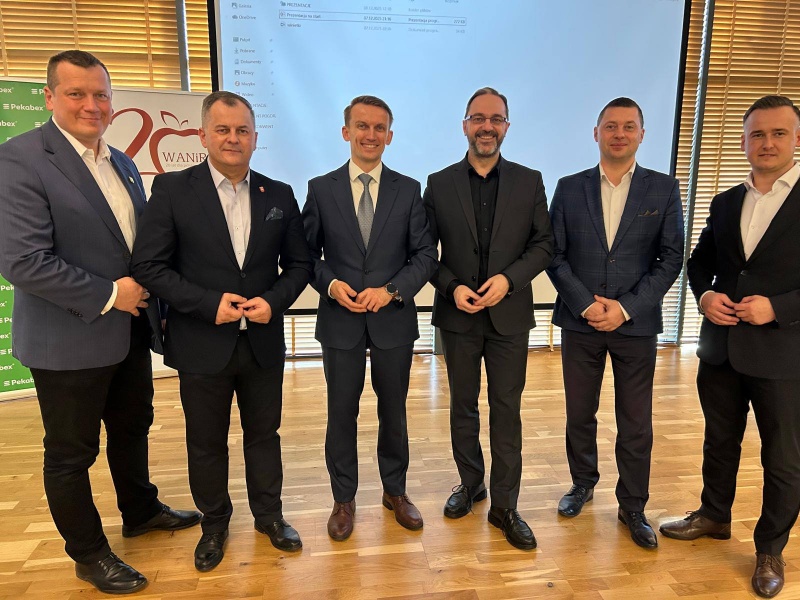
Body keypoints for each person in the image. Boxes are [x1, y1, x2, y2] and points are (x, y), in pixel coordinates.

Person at [0, 50, 201, 595]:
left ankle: (140, 510)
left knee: (133, 427)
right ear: (49, 97)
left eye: (101, 94)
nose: (91, 105)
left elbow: (135, 247)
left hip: (128, 331)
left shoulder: (122, 162)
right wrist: (111, 294)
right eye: (76, 93)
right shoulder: (19, 159)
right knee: (71, 454)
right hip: (68, 338)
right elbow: (22, 261)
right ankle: (88, 554)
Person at [131, 91, 312, 571]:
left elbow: (299, 265)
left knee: (264, 435)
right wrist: (209, 304)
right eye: (224, 130)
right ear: (203, 135)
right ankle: (214, 524)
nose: (233, 138)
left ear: (255, 137)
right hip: (200, 342)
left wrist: (273, 301)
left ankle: (269, 517)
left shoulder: (279, 194)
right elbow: (148, 266)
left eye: (242, 130)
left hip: (262, 342)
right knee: (206, 442)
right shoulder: (172, 189)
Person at [660, 95, 800, 598]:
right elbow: (700, 262)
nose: (767, 143)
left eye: (778, 133)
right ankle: (714, 515)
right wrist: (705, 296)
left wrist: (777, 308)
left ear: (797, 139)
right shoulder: (725, 202)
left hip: (783, 353)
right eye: (757, 134)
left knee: (783, 457)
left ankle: (770, 548)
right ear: (743, 142)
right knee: (719, 441)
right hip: (721, 348)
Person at [547, 97, 683, 549]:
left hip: (635, 325)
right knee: (579, 414)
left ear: (642, 134)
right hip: (580, 322)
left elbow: (671, 258)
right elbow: (554, 254)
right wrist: (586, 305)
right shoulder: (569, 188)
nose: (619, 134)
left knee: (635, 421)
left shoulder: (663, 189)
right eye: (610, 126)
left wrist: (625, 308)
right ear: (596, 133)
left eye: (628, 126)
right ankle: (582, 483)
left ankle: (633, 505)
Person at [423, 87, 553, 551]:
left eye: (496, 119)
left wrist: (509, 280)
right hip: (457, 314)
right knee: (462, 406)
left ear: (506, 126)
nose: (487, 126)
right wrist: (451, 286)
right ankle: (471, 483)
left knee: (506, 409)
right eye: (478, 118)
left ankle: (505, 506)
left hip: (509, 317)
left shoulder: (529, 181)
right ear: (465, 125)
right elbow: (424, 251)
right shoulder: (438, 183)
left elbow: (544, 244)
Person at [302, 95, 437, 541]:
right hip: (339, 320)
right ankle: (343, 499)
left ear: (390, 136)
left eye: (379, 128)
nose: (370, 135)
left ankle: (395, 491)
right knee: (341, 411)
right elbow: (306, 254)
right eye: (362, 126)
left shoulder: (408, 189)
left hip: (392, 319)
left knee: (393, 410)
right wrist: (331, 286)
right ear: (346, 132)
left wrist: (392, 290)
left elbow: (425, 255)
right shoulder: (321, 188)